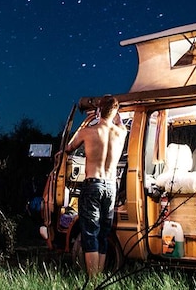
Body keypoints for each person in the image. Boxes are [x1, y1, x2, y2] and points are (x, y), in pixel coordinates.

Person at [64, 95, 128, 279]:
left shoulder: (87, 132)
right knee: (104, 233)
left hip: (93, 184)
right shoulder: (121, 132)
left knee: (90, 232)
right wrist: (114, 113)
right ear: (115, 111)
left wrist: (94, 117)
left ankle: (93, 280)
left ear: (99, 110)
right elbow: (119, 120)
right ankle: (99, 276)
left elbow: (69, 148)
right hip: (111, 186)